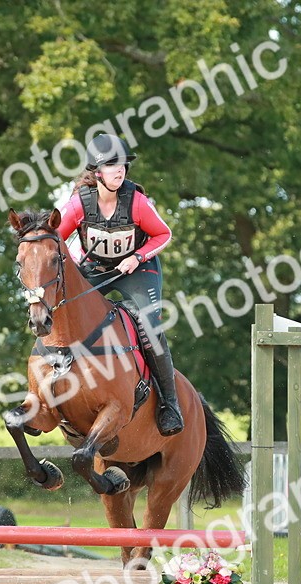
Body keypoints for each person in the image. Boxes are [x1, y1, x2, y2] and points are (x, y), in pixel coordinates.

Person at [54, 133, 184, 436]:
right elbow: (54, 238)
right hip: (96, 267)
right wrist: (70, 260)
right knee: (65, 313)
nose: (120, 170)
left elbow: (163, 235)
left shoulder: (136, 201)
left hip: (138, 270)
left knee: (150, 329)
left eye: (123, 165)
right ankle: (58, 390)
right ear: (97, 173)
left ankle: (170, 404)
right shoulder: (78, 204)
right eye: (112, 165)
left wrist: (137, 257)